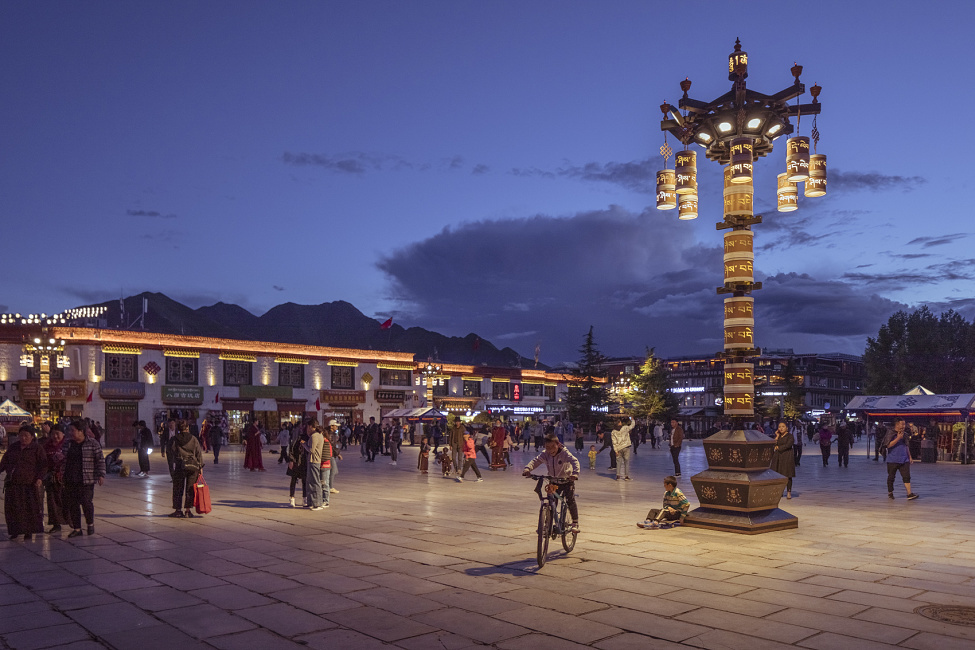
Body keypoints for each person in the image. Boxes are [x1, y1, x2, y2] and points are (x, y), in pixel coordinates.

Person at [523, 433, 581, 533]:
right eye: (547, 447)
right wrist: (528, 468)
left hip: (566, 480)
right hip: (553, 481)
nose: (550, 450)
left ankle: (575, 522)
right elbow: (536, 461)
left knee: (570, 500)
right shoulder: (545, 454)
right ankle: (547, 524)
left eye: (552, 447)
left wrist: (575, 474)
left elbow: (575, 461)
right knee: (551, 501)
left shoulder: (564, 453)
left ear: (558, 444)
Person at [0, 426, 47, 540]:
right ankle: (15, 530)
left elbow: (43, 465)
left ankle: (28, 531)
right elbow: (4, 462)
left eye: (26, 435)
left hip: (29, 484)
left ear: (32, 437)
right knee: (13, 509)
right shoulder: (13, 447)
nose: (23, 438)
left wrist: (39, 478)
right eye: (21, 435)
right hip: (13, 483)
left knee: (29, 509)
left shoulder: (37, 448)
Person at [63, 421, 105, 537]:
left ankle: (90, 524)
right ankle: (77, 529)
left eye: (73, 430)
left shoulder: (92, 443)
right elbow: (63, 459)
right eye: (70, 430)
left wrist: (101, 474)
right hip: (70, 478)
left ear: (81, 431)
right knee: (73, 504)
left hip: (86, 479)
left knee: (86, 503)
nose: (70, 433)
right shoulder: (68, 444)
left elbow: (100, 460)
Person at [167, 424, 204, 519]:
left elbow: (170, 452)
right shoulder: (193, 439)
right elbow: (198, 453)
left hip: (180, 466)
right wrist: (200, 466)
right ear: (187, 428)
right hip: (192, 466)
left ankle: (178, 510)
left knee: (178, 489)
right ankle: (188, 511)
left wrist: (172, 466)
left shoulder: (174, 439)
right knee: (190, 489)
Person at [42, 425, 69, 533]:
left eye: (58, 433)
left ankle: (71, 521)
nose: (55, 436)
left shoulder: (67, 445)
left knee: (67, 500)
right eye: (53, 433)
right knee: (52, 501)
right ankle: (56, 524)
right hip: (52, 478)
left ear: (63, 434)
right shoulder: (46, 446)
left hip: (66, 477)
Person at [886, 418, 918, 500]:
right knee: (891, 477)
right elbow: (888, 445)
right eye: (902, 424)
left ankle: (909, 493)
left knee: (907, 476)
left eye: (904, 424)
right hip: (892, 459)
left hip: (904, 459)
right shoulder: (891, 433)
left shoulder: (905, 435)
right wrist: (898, 438)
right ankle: (890, 492)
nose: (904, 426)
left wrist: (910, 457)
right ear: (897, 425)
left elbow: (907, 446)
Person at [304, 424, 327, 510]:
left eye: (308, 427)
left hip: (314, 460)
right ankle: (311, 502)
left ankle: (317, 503)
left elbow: (311, 450)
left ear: (311, 427)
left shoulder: (314, 436)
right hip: (313, 460)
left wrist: (304, 445)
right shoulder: (319, 435)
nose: (307, 430)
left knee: (315, 482)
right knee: (310, 481)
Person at [771, 421, 796, 499]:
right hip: (778, 457)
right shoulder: (778, 436)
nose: (781, 428)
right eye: (779, 427)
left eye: (783, 426)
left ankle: (789, 492)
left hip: (787, 457)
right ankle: (780, 491)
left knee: (788, 475)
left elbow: (788, 445)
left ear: (787, 428)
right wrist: (777, 436)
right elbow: (774, 445)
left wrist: (779, 448)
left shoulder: (790, 436)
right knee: (778, 475)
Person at [285, 423, 308, 507]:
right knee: (293, 480)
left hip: (304, 462)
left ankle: (304, 498)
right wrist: (291, 460)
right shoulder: (295, 438)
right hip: (296, 461)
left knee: (304, 481)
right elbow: (291, 449)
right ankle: (292, 498)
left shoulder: (307, 437)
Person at [326, 419, 341, 495]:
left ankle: (328, 486)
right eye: (335, 426)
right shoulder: (330, 434)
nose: (337, 427)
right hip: (331, 454)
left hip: (333, 454)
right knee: (333, 470)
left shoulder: (333, 433)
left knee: (334, 471)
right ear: (331, 426)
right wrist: (337, 454)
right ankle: (330, 487)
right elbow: (332, 445)